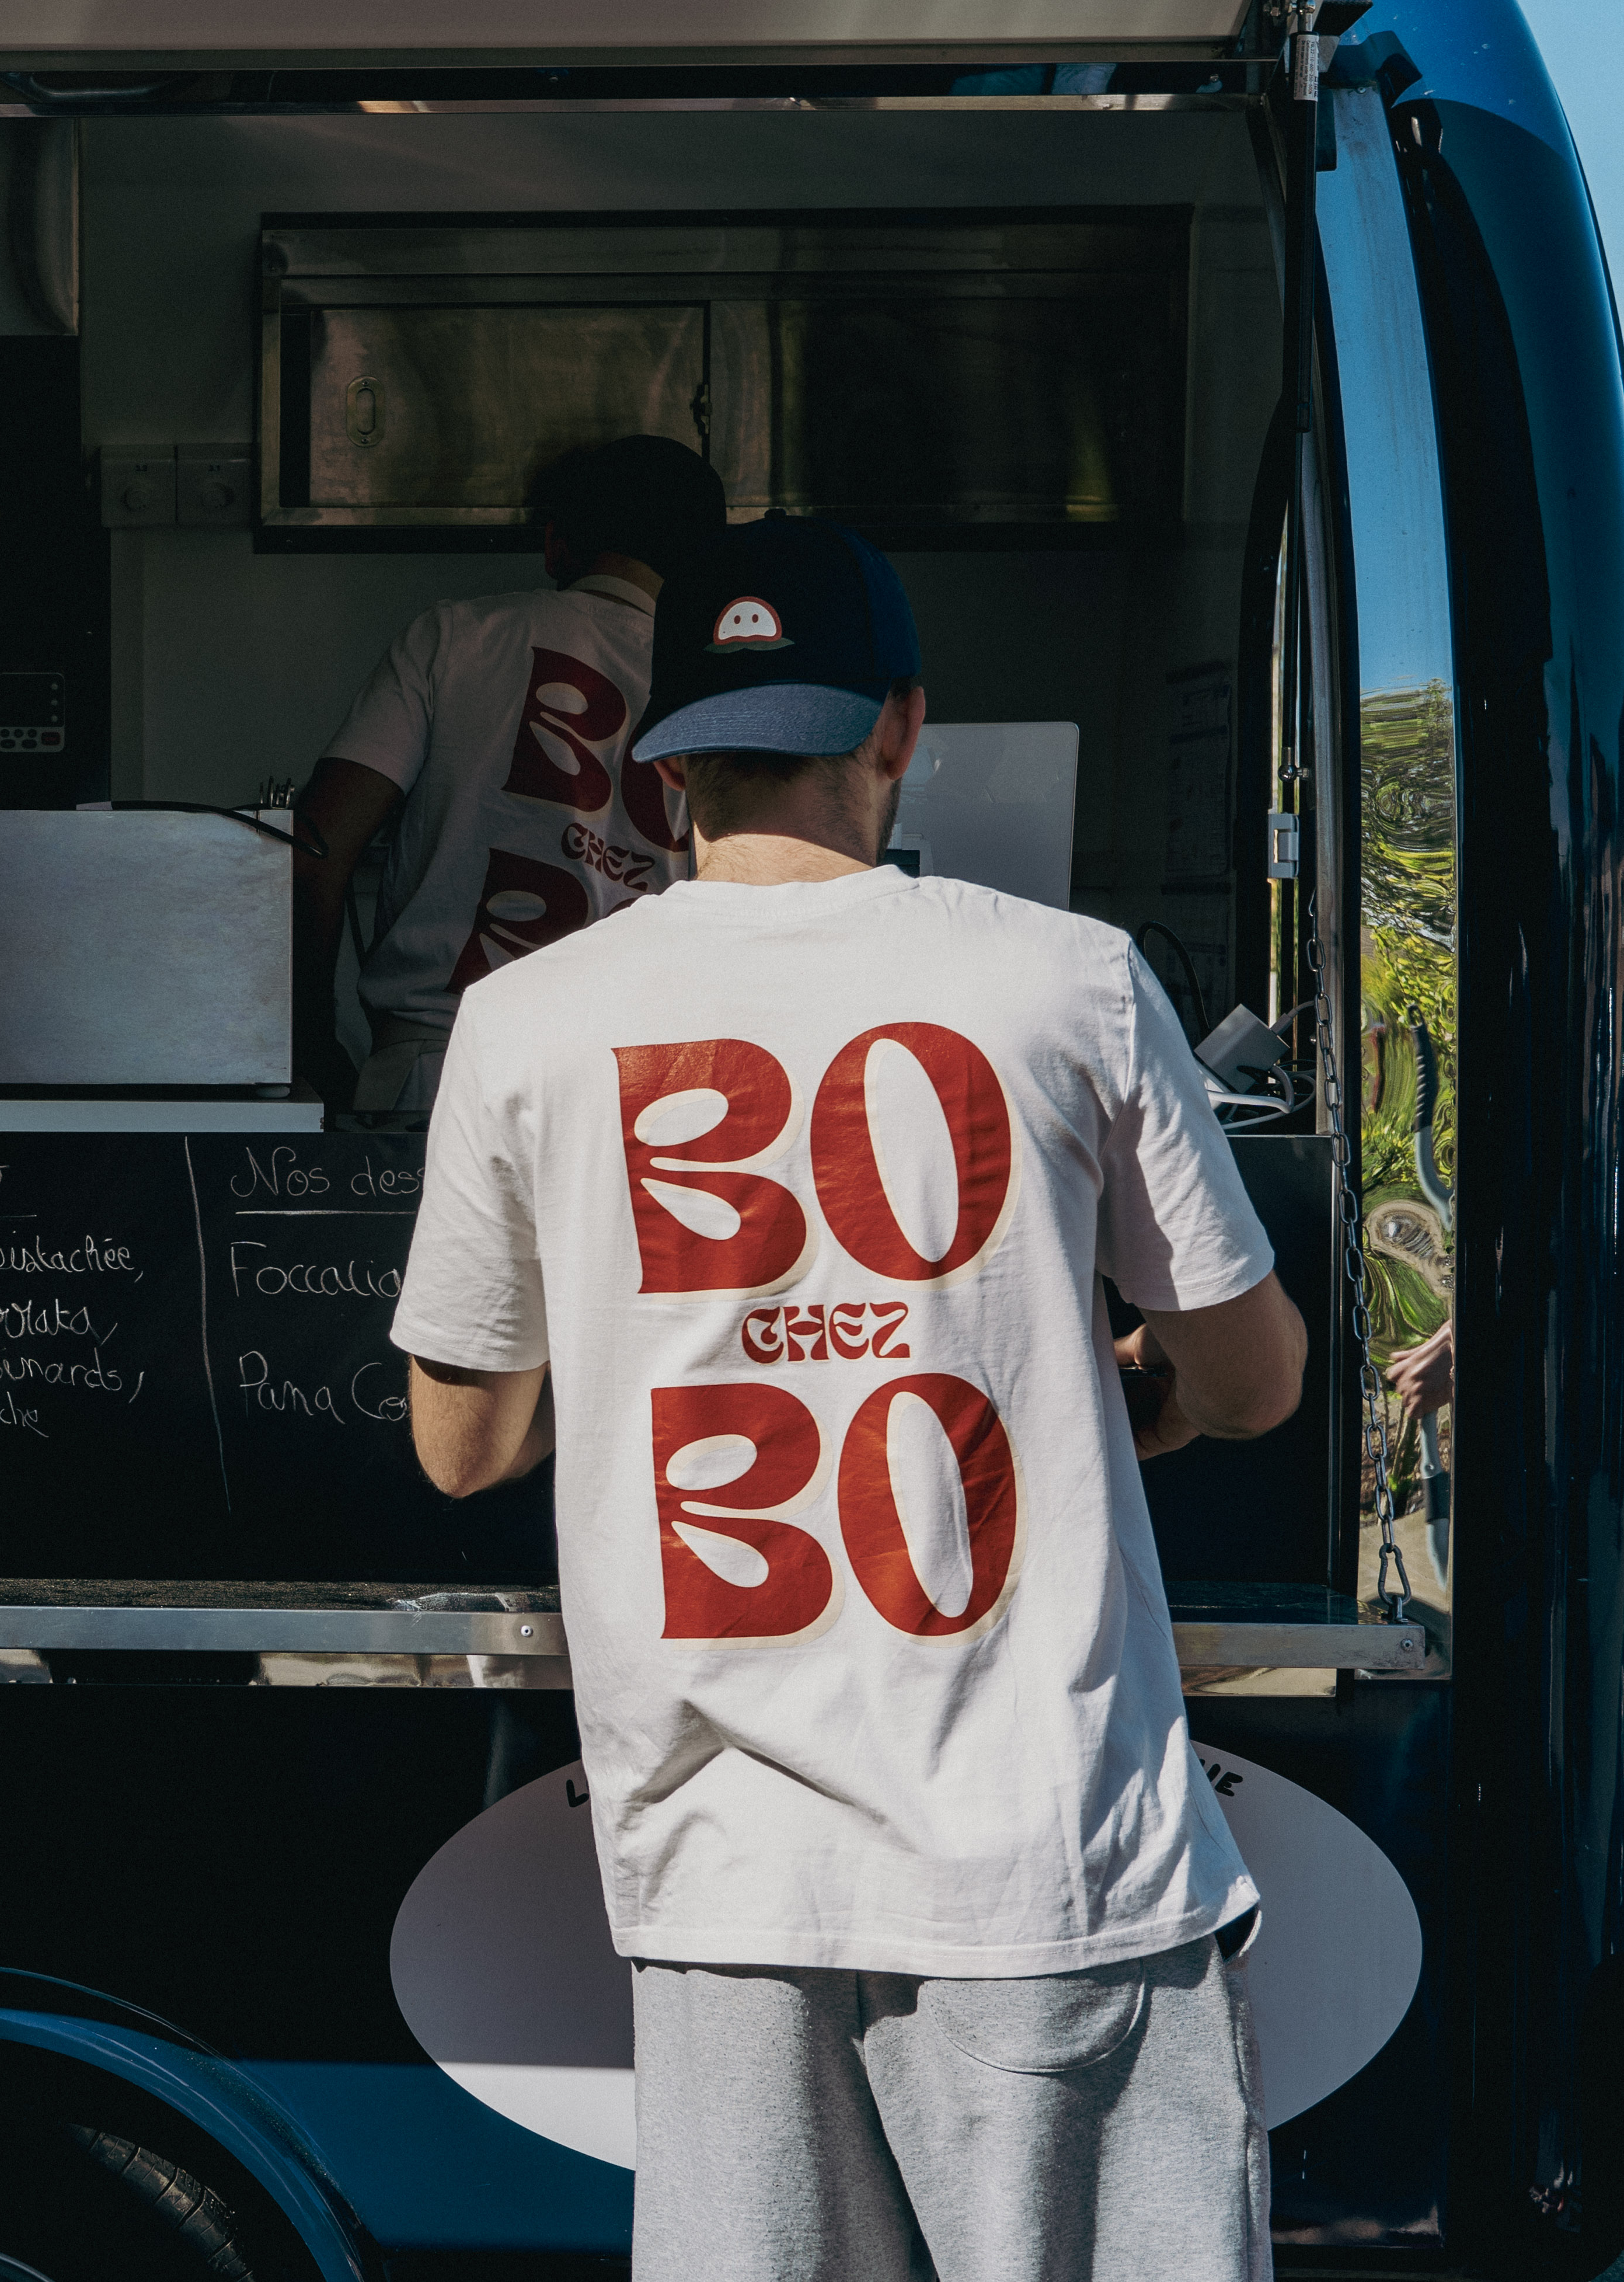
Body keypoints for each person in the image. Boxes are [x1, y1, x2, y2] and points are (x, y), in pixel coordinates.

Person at [388, 514, 1311, 2282]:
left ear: (665, 760)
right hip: (1043, 1854)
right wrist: (1125, 1386)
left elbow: (463, 1441)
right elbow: (1254, 1384)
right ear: (897, 724)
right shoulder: (1069, 977)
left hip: (723, 1873)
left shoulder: (525, 1021)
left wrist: (672, 1329)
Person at [291, 434, 731, 1118]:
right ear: (705, 572)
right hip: (640, 1091)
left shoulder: (454, 639)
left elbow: (314, 851)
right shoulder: (721, 694)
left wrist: (311, 1046)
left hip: (441, 1073)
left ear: (556, 544)